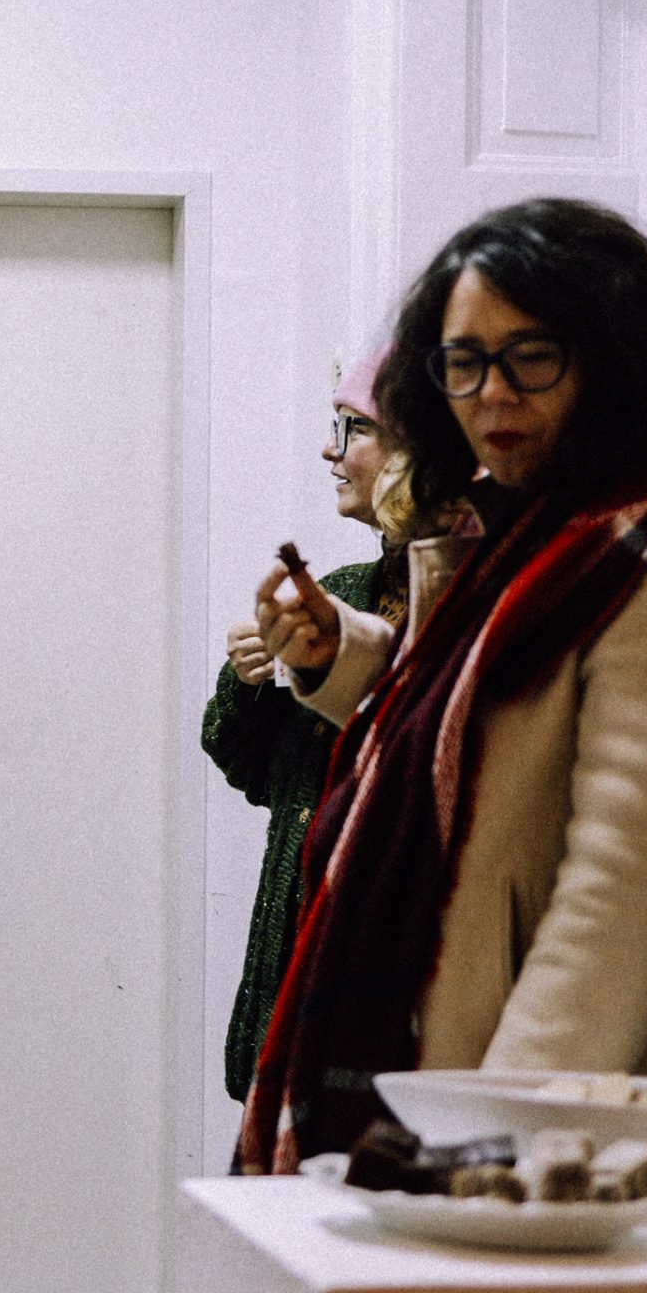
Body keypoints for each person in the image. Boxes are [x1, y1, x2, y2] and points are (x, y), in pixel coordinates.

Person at [241, 198, 647, 1173]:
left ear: (612, 354)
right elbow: (478, 716)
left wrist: (495, 1141)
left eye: (530, 356)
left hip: (510, 1089)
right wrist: (339, 657)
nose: (491, 393)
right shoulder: (525, 519)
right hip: (441, 1037)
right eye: (462, 362)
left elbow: (624, 886)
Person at [200, 350, 409, 1114]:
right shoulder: (339, 593)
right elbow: (256, 770)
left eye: (353, 428)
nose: (329, 449)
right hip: (289, 983)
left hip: (374, 1003)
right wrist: (250, 678)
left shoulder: (459, 601)